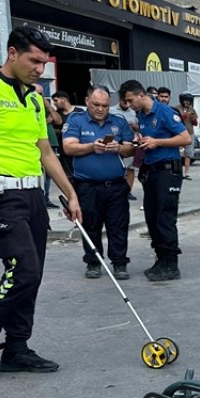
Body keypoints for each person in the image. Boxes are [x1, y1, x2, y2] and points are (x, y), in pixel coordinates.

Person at [0, 26, 82, 375]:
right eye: (34, 60)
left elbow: (46, 152)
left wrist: (70, 194)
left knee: (33, 274)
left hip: (34, 195)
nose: (40, 69)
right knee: (22, 269)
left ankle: (17, 347)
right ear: (12, 53)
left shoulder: (35, 100)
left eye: (44, 62)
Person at [119, 79, 190, 281]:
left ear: (141, 95)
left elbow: (186, 139)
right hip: (151, 171)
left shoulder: (165, 112)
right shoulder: (141, 115)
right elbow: (148, 138)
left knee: (165, 217)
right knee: (152, 218)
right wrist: (140, 142)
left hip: (168, 171)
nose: (129, 105)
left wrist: (157, 142)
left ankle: (171, 264)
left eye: (131, 100)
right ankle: (161, 259)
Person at [63, 85, 135, 280]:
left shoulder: (118, 122)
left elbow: (131, 148)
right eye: (96, 104)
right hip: (87, 186)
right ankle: (93, 262)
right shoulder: (76, 120)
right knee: (90, 225)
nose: (101, 109)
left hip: (115, 185)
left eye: (104, 105)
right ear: (87, 102)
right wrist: (91, 147)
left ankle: (120, 263)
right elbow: (68, 147)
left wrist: (118, 147)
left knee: (118, 225)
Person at [36, 83, 63, 209]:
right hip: (37, 143)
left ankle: (46, 197)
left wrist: (49, 108)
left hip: (51, 142)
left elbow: (59, 121)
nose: (39, 96)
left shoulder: (46, 107)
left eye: (41, 94)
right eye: (37, 93)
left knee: (49, 173)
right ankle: (40, 197)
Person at [113, 92, 141, 200]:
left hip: (130, 143)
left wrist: (135, 127)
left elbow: (139, 128)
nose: (127, 104)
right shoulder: (111, 111)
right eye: (125, 101)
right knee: (117, 168)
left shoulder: (133, 112)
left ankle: (128, 191)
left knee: (130, 168)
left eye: (129, 101)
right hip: (116, 143)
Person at [177, 93, 197, 180]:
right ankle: (178, 172)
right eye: (186, 101)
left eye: (189, 101)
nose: (187, 103)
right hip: (179, 133)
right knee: (179, 153)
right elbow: (176, 119)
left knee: (188, 155)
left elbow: (195, 123)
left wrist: (192, 118)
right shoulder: (177, 108)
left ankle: (187, 173)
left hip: (190, 133)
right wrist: (185, 115)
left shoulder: (192, 110)